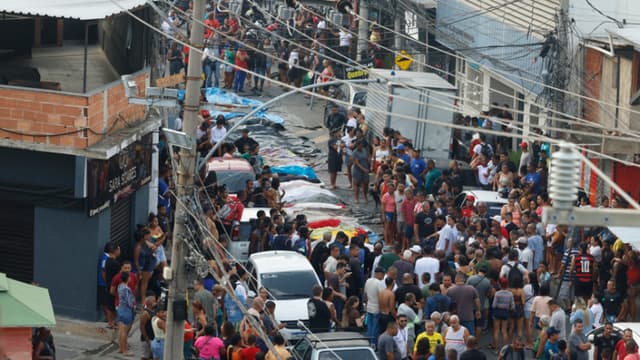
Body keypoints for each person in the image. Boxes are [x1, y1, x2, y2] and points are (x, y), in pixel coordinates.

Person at [116, 271, 135, 356]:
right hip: (126, 310)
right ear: (128, 278)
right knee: (125, 331)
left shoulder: (120, 286)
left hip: (120, 308)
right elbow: (129, 302)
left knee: (120, 330)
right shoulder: (126, 289)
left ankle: (120, 348)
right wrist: (133, 307)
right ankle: (125, 350)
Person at [365, 267, 384, 346]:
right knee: (375, 327)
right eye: (383, 274)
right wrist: (381, 308)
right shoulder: (379, 283)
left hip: (369, 307)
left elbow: (365, 295)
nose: (383, 276)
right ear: (379, 274)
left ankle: (368, 342)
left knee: (369, 326)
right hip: (376, 308)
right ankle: (373, 343)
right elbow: (380, 297)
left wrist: (367, 303)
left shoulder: (368, 281)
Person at [140, 296, 156, 360]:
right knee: (145, 356)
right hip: (147, 338)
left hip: (153, 337)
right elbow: (142, 326)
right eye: (153, 301)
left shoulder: (154, 311)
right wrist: (146, 337)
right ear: (149, 303)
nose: (155, 302)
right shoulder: (145, 313)